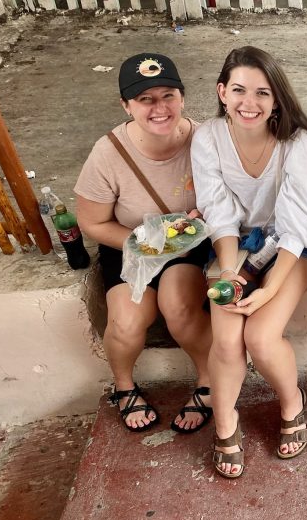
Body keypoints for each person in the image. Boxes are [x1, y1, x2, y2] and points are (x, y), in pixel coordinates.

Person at [191, 46, 307, 478]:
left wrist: (268, 287)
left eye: (263, 93)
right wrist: (230, 271)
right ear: (222, 93)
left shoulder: (298, 143)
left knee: (262, 337)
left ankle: (292, 402)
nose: (250, 103)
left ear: (277, 100)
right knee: (228, 339)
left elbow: (299, 222)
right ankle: (226, 423)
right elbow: (218, 211)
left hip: (293, 248)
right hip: (234, 246)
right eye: (239, 90)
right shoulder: (208, 137)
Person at [75, 53, 213, 435]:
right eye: (145, 100)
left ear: (182, 97)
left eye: (168, 95)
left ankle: (208, 381)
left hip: (188, 245)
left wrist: (203, 220)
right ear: (126, 105)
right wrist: (144, 241)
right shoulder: (109, 152)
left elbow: (232, 196)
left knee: (179, 308)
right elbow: (91, 222)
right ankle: (124, 386)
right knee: (126, 322)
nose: (159, 108)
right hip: (128, 244)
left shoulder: (206, 140)